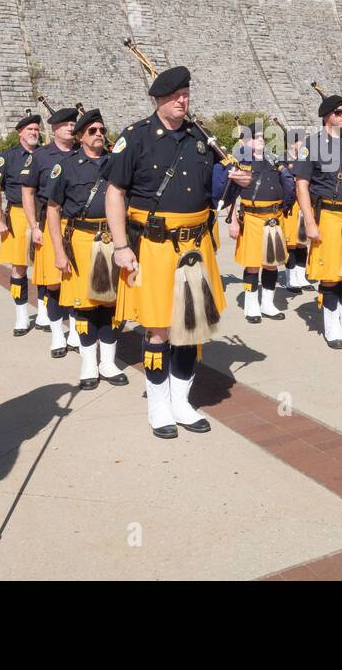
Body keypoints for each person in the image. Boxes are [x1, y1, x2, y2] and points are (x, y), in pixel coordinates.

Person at [106, 67, 251, 438]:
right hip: (153, 246)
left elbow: (218, 184)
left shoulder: (199, 138)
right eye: (175, 96)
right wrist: (121, 246)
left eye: (186, 94)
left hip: (196, 244)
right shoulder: (135, 137)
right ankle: (158, 406)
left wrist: (238, 180)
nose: (182, 101)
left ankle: (181, 402)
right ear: (158, 99)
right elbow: (115, 193)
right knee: (158, 331)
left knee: (190, 329)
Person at [46, 109, 130, 388]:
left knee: (111, 304)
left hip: (113, 239)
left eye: (102, 130)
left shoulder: (115, 163)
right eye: (92, 131)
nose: (99, 135)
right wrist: (58, 252)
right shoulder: (66, 166)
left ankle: (108, 362)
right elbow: (53, 209)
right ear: (80, 136)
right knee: (84, 306)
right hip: (81, 241)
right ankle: (88, 364)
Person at [294, 95, 342, 349]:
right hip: (328, 214)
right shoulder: (313, 144)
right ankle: (331, 327)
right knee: (330, 275)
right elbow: (302, 184)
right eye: (339, 112)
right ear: (327, 115)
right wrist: (309, 221)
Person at [23, 107, 79, 357]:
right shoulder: (41, 156)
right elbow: (28, 193)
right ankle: (57, 334)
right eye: (66, 124)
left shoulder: (83, 152)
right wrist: (34, 226)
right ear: (54, 128)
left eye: (73, 124)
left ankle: (77, 331)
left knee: (77, 283)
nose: (71, 128)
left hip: (78, 224)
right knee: (53, 284)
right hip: (50, 222)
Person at [226, 125, 294, 323]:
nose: (262, 140)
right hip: (252, 218)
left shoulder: (273, 161)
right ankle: (251, 305)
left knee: (271, 264)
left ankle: (268, 304)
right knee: (253, 265)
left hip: (274, 218)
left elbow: (288, 183)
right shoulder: (241, 163)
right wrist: (233, 223)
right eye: (256, 138)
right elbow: (232, 194)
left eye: (262, 137)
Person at [0, 113, 41, 336]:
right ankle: (21, 314)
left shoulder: (45, 155)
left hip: (43, 214)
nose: (34, 133)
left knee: (45, 266)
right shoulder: (7, 157)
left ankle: (45, 312)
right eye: (29, 129)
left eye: (37, 129)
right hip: (18, 215)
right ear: (20, 133)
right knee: (19, 267)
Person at [281, 134, 311, 293]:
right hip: (291, 205)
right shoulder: (283, 161)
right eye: (301, 142)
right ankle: (290, 278)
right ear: (292, 144)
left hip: (304, 205)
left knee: (302, 242)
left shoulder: (306, 159)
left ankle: (301, 276)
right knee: (291, 243)